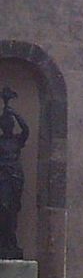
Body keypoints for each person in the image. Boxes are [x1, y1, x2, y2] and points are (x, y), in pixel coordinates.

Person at [0, 87, 30, 260]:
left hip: (15, 178)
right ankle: (3, 241)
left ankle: (11, 242)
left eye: (9, 123)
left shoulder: (17, 140)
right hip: (3, 177)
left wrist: (15, 114)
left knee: (12, 209)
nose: (8, 126)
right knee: (3, 207)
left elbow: (26, 130)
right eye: (5, 124)